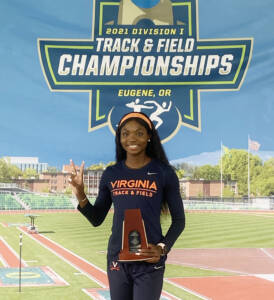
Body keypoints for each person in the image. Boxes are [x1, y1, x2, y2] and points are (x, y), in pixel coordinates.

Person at [69, 112, 185, 300]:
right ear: (119, 138)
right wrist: (80, 193)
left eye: (139, 133)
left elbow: (179, 221)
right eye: (125, 133)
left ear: (149, 137)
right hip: (117, 259)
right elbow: (96, 218)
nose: (131, 138)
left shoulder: (164, 173)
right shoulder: (111, 174)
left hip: (149, 260)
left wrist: (163, 248)